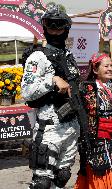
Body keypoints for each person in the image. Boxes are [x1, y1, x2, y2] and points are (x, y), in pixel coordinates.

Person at [21, 3, 80, 188]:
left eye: (59, 25)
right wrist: (52, 80)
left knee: (62, 178)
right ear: (44, 27)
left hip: (71, 125)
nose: (54, 30)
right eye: (50, 25)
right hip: (49, 129)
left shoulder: (68, 55)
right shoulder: (38, 57)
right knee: (42, 183)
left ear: (67, 28)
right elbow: (27, 92)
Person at [74, 53, 112, 189]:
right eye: (106, 66)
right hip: (98, 141)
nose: (111, 68)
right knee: (101, 172)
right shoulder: (88, 88)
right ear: (95, 69)